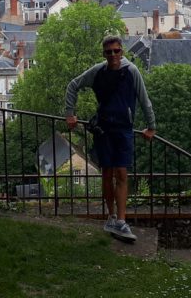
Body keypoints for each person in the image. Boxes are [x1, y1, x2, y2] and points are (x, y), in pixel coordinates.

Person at [65, 35, 155, 242]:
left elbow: (144, 99)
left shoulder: (131, 71)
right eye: (109, 52)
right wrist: (70, 114)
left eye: (116, 51)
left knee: (121, 173)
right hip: (104, 128)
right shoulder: (98, 72)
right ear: (104, 54)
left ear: (122, 51)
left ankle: (121, 220)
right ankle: (112, 216)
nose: (113, 55)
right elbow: (73, 85)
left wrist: (152, 126)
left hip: (123, 128)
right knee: (107, 173)